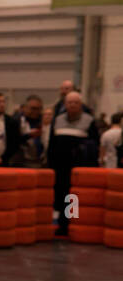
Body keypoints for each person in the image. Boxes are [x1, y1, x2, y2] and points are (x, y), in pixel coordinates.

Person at [49, 91, 99, 234]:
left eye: (76, 102)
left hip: (79, 166)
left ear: (81, 105)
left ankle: (73, 224)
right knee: (62, 195)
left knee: (74, 197)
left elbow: (95, 144)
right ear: (65, 104)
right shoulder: (57, 120)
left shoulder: (89, 121)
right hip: (60, 166)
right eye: (70, 102)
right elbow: (52, 144)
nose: (73, 105)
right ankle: (63, 225)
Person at [12, 95, 48, 168]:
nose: (36, 111)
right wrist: (29, 136)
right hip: (21, 162)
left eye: (39, 109)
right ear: (24, 108)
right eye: (33, 108)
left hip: (41, 162)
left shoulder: (44, 120)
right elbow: (12, 141)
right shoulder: (16, 121)